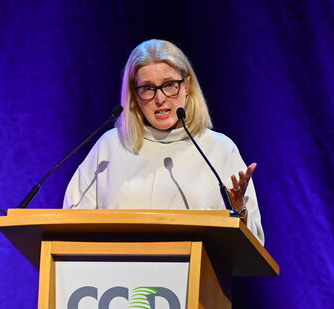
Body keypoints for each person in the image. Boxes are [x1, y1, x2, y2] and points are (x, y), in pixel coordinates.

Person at [63, 39, 264, 244]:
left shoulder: (219, 150)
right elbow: (69, 225)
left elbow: (254, 243)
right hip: (114, 273)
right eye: (148, 88)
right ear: (134, 94)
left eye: (169, 85)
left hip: (194, 274)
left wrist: (239, 211)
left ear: (186, 85)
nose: (160, 99)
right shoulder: (111, 147)